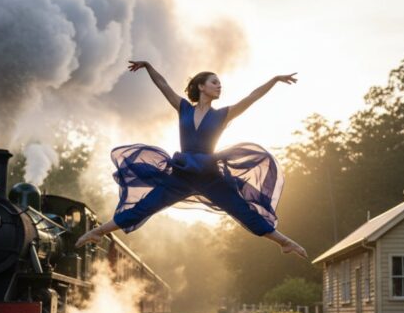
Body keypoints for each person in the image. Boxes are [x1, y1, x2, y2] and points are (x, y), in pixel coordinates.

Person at [75, 61, 308, 259]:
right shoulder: (183, 108)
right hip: (182, 174)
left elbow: (252, 96)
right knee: (145, 206)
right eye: (214, 82)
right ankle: (98, 232)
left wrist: (274, 79)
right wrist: (148, 67)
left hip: (209, 175)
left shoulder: (222, 114)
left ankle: (283, 242)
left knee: (241, 209)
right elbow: (163, 85)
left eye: (220, 83)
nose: (219, 86)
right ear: (201, 86)